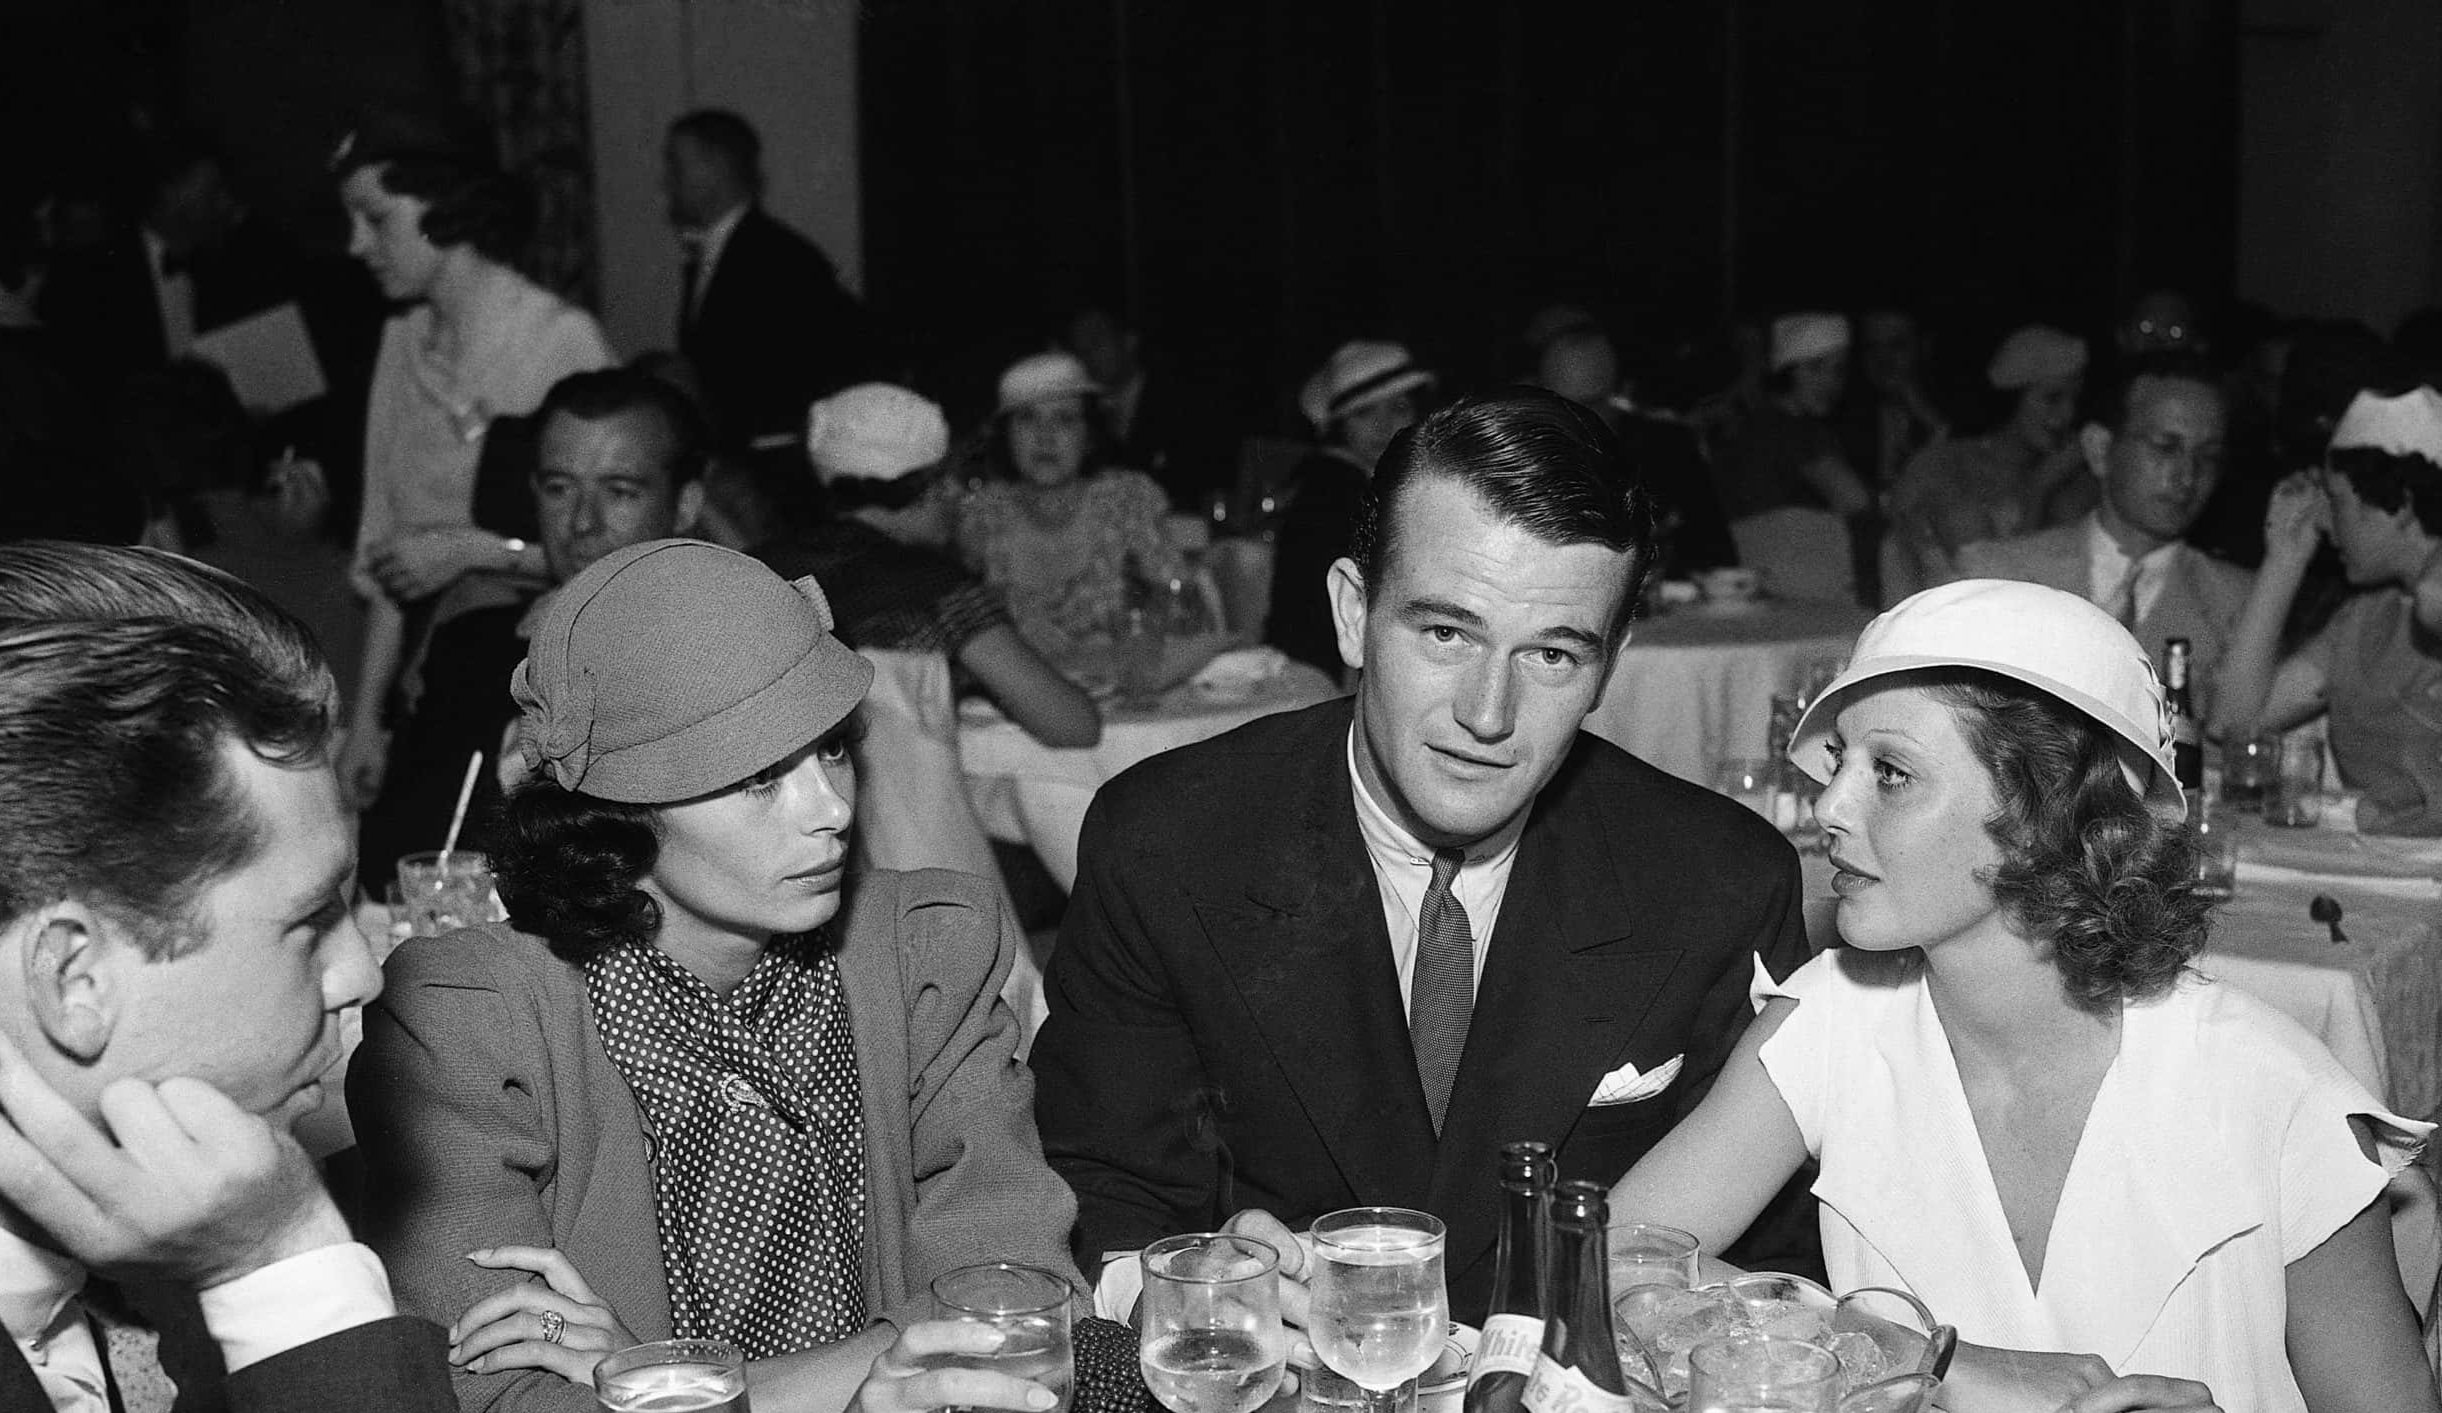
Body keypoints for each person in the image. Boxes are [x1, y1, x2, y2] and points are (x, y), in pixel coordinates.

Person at [1030, 390, 1817, 1317]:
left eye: (1553, 656)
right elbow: (1101, 1187)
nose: (1488, 714)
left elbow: (1776, 1272)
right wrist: (1187, 1288)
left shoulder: (1719, 881)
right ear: (1352, 612)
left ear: (1611, 661)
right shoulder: (1169, 842)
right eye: (1447, 632)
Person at [1607, 577, 2434, 1413]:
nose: (1829, 804)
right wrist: (1925, 1358)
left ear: (2049, 813)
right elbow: (1604, 1257)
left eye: (1889, 771)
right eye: (1839, 761)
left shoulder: (2265, 1087)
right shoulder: (1836, 1020)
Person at [347, 540, 1125, 1413]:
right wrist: (874, 1370)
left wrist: (681, 1384)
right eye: (760, 778)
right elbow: (494, 1396)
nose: (830, 810)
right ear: (619, 807)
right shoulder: (474, 1024)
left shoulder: (918, 959)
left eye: (833, 750)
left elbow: (1014, 1320)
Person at [0, 540, 456, 1412]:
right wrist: (284, 1270)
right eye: (311, 920)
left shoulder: (156, 1237)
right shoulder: (243, 1233)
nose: (359, 973)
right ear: (75, 978)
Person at [328, 101, 615, 813]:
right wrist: (366, 724)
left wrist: (477, 550)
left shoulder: (559, 340)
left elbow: (628, 552)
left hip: (545, 690)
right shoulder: (399, 345)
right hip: (429, 688)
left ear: (445, 207)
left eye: (375, 218)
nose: (356, 244)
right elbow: (394, 556)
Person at [762, 381, 1101, 747]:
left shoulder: (763, 569)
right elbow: (1074, 725)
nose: (958, 495)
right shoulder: (934, 588)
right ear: (927, 486)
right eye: (949, 479)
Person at [1953, 351, 2250, 716]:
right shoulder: (1997, 575)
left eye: (2208, 457)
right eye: (2165, 447)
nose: (2188, 476)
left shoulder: (2239, 605)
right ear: (2100, 449)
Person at [2216, 386, 2442, 836]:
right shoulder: (2369, 616)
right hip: (2389, 862)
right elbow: (2236, 724)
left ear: (2399, 504)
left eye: (2336, 501)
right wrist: (2286, 557)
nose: (2323, 519)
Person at [667, 109, 886, 450]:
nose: (668, 180)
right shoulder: (720, 253)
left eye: (677, 165)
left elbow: (810, 369)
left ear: (716, 168)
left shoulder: (780, 257)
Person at [956, 351, 1181, 659]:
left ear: (1089, 435)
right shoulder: (980, 515)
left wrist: (1126, 634)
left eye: (1064, 419)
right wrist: (1008, 635)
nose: (1044, 437)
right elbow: (952, 626)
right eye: (1027, 418)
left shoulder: (1126, 500)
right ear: (1006, 435)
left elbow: (1177, 601)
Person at [1264, 339, 1435, 675]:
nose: (1383, 426)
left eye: (1398, 408)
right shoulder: (1335, 487)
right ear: (1339, 424)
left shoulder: (1379, 480)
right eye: (1364, 412)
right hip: (1324, 673)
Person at [1886, 325, 2089, 596]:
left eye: (2075, 400)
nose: (2066, 415)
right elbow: (1993, 588)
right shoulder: (1946, 467)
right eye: (2052, 399)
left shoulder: (2070, 474)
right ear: (2012, 398)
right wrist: (2039, 489)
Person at [1526, 321, 1737, 581]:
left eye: (1587, 405)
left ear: (1618, 396)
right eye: (1556, 404)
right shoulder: (1524, 454)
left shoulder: (1666, 448)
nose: (1569, 419)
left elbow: (1715, 553)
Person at [1710, 311, 1874, 523]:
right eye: (1815, 367)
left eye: (1839, 370)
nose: (1829, 381)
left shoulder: (1759, 421)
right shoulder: (1791, 429)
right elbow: (1857, 501)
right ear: (1788, 370)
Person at [1060, 305, 1228, 511]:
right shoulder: (1077, 415)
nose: (1087, 358)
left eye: (1096, 343)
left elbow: (1205, 487)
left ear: (1129, 342)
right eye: (1079, 350)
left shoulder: (1182, 404)